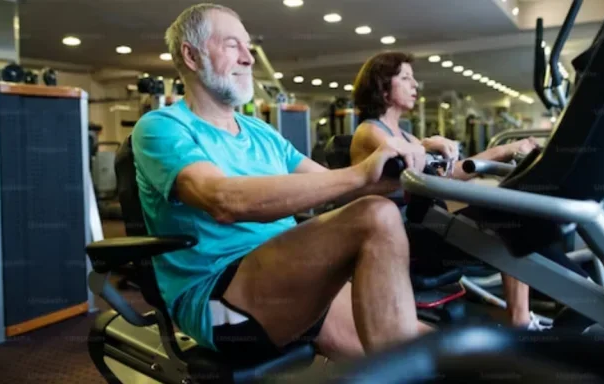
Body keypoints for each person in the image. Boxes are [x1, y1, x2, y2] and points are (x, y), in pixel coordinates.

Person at [131, 3, 434, 364]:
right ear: (191, 56)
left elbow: (332, 185)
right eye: (232, 46)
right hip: (220, 296)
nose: (248, 58)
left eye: (248, 47)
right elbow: (223, 199)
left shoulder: (260, 131)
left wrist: (405, 174)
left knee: (435, 352)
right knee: (377, 216)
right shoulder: (162, 126)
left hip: (288, 274)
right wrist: (360, 173)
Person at [349, 51, 546, 330]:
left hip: (426, 222)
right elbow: (400, 155)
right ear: (382, 87)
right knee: (507, 227)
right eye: (405, 78)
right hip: (397, 232)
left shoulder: (405, 134)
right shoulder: (369, 132)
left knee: (513, 216)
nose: (415, 85)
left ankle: (523, 318)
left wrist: (505, 151)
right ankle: (520, 322)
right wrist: (429, 144)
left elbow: (447, 175)